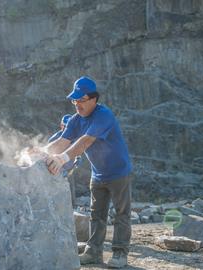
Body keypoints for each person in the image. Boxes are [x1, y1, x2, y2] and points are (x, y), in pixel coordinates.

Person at [45, 76, 132, 268]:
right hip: (98, 173)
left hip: (119, 173)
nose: (77, 105)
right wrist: (41, 152)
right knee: (97, 215)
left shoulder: (104, 115)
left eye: (81, 100)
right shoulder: (75, 120)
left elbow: (85, 141)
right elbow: (62, 142)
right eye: (74, 100)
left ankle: (119, 254)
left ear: (94, 99)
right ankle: (93, 252)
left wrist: (62, 158)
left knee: (121, 214)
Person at [48, 114, 82, 207]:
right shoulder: (55, 139)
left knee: (70, 193)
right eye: (65, 126)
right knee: (57, 194)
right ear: (61, 125)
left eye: (68, 127)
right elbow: (49, 154)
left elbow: (78, 151)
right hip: (57, 171)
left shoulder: (75, 137)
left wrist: (78, 159)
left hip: (69, 170)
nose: (67, 129)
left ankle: (72, 208)